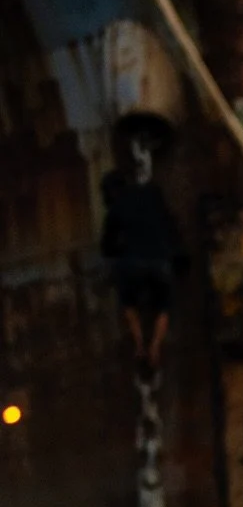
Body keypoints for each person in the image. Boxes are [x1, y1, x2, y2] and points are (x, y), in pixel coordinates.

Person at [100, 145, 186, 373]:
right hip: (159, 262)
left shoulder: (115, 208)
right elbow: (170, 224)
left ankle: (139, 344)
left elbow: (107, 246)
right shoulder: (152, 193)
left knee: (128, 303)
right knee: (164, 305)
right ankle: (156, 345)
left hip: (132, 266)